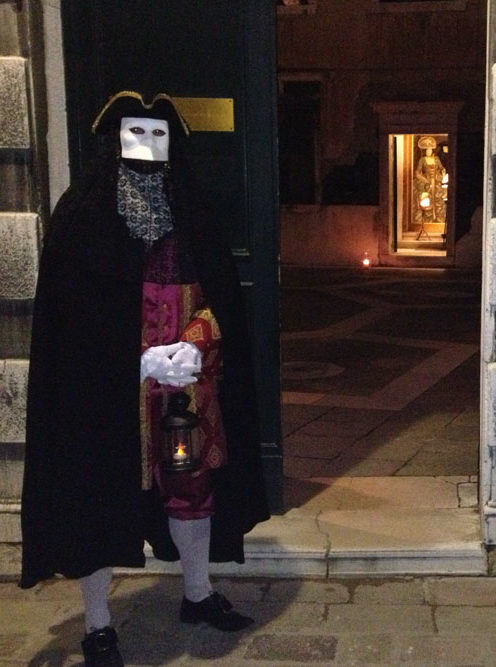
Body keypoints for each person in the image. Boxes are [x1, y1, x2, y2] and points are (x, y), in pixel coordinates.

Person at [19, 91, 270, 667]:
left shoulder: (192, 214)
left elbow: (218, 299)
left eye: (159, 135)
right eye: (136, 132)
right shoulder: (80, 217)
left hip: (187, 388)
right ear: (115, 139)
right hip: (108, 395)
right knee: (100, 501)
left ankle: (197, 594)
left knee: (193, 490)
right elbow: (71, 322)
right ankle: (98, 625)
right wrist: (135, 361)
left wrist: (196, 342)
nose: (148, 145)